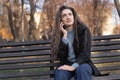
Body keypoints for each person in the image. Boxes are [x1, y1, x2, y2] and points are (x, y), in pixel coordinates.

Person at [51, 5, 102, 80]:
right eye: (64, 15)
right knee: (60, 74)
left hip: (82, 63)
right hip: (67, 64)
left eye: (70, 14)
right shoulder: (59, 35)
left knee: (82, 70)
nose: (68, 17)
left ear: (74, 16)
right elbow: (61, 57)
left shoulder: (83, 30)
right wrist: (64, 37)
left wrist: (73, 66)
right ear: (61, 19)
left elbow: (85, 54)